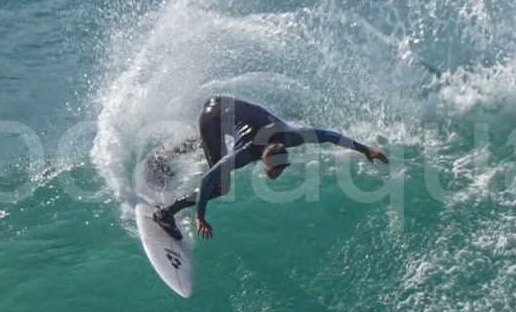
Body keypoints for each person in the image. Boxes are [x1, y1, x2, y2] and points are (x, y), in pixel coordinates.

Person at [154, 96, 386, 240]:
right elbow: (207, 179)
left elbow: (328, 136)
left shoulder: (292, 137)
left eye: (280, 170)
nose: (276, 175)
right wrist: (200, 216)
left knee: (212, 143)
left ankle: (165, 156)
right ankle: (165, 214)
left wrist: (365, 149)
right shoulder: (246, 154)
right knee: (221, 187)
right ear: (263, 160)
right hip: (213, 115)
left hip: (223, 106)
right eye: (274, 171)